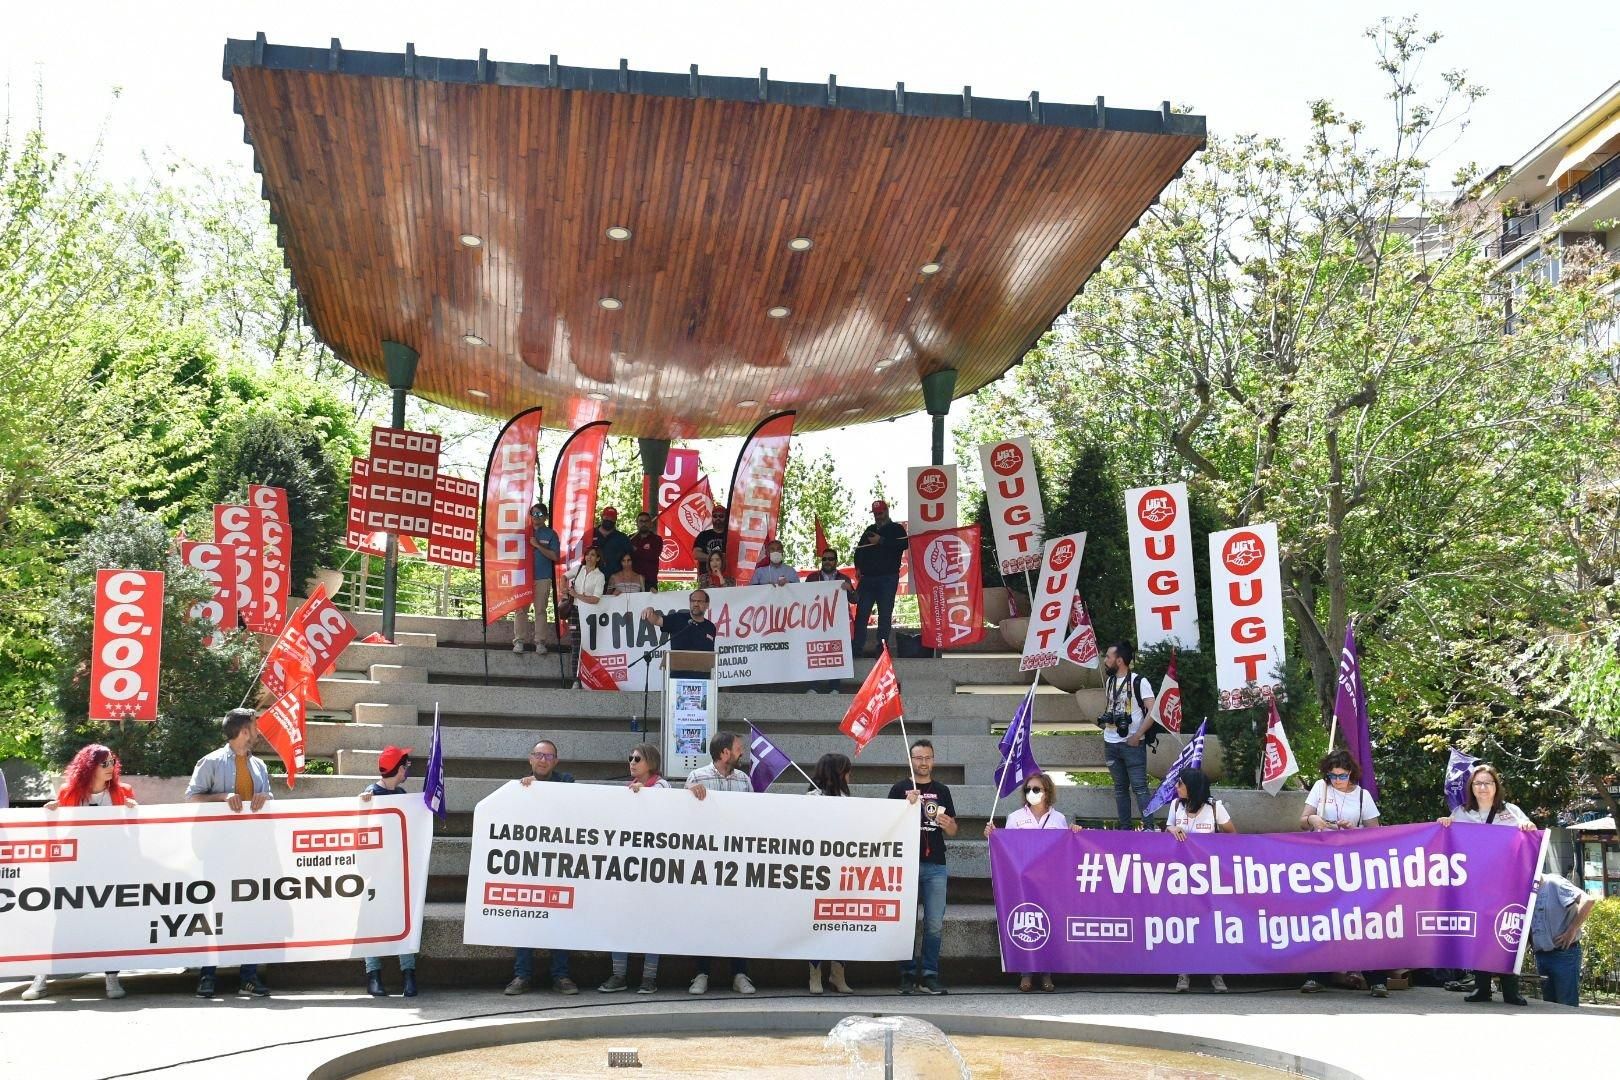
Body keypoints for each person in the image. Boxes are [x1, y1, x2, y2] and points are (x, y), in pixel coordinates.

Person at [22, 744, 137, 1001]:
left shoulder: (123, 793)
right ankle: (40, 978)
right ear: (89, 767)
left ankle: (111, 977)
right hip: (74, 871)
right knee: (61, 922)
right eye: (104, 763)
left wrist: (133, 812)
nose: (111, 768)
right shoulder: (69, 793)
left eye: (113, 762)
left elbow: (132, 836)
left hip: (108, 870)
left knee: (109, 922)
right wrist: (50, 813)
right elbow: (61, 834)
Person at [184, 708, 273, 998]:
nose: (258, 733)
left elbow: (269, 800)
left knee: (252, 912)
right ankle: (207, 976)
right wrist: (222, 797)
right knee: (213, 912)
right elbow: (192, 799)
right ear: (244, 730)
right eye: (255, 727)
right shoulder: (210, 762)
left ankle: (248, 977)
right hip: (217, 853)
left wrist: (265, 797)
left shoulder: (259, 766)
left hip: (252, 852)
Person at [1439, 762, 1537, 1005]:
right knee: (1479, 934)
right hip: (1474, 884)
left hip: (1506, 884)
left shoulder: (1512, 812)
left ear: (1496, 786)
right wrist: (1444, 824)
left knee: (1506, 933)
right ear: (1471, 787)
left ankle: (1511, 990)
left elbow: (1531, 834)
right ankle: (1482, 988)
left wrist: (1528, 826)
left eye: (1488, 783)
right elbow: (1448, 840)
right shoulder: (1461, 812)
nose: (1483, 787)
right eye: (1478, 783)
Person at [1299, 749, 1388, 996]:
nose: (1337, 781)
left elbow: (1375, 832)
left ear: (1352, 773)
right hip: (1323, 865)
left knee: (1363, 920)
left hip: (1354, 865)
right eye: (1333, 776)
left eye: (1342, 776)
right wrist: (1315, 819)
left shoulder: (1363, 797)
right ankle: (1317, 975)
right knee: (1323, 919)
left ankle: (1377, 978)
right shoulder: (1320, 787)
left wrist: (1354, 829)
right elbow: (1303, 819)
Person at [984, 771, 1073, 993]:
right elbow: (1007, 847)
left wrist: (1075, 832)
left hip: (1050, 880)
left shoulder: (1059, 818)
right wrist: (993, 835)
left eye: (1037, 789)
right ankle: (1025, 973)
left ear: (1047, 792)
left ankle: (1046, 973)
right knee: (1025, 922)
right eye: (1028, 789)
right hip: (1022, 879)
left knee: (1049, 923)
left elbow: (1066, 849)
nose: (1032, 793)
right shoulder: (1015, 817)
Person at [684, 732, 757, 995]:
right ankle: (701, 973)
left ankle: (740, 973)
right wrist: (690, 795)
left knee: (738, 918)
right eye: (738, 749)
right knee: (704, 918)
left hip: (736, 862)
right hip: (705, 861)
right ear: (725, 752)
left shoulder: (744, 780)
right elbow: (682, 815)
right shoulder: (697, 777)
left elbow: (752, 816)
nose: (741, 753)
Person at [505, 739, 579, 995]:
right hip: (529, 865)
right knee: (526, 920)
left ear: (556, 761)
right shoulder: (518, 788)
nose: (543, 760)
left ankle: (561, 976)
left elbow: (571, 807)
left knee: (560, 920)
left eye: (549, 756)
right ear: (530, 759)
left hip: (560, 863)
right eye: (539, 755)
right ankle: (522, 976)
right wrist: (526, 790)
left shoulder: (567, 782)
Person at [598, 743, 669, 995]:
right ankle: (619, 975)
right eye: (630, 758)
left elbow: (664, 813)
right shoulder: (629, 790)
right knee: (621, 920)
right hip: (629, 867)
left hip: (655, 868)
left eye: (637, 758)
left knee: (652, 923)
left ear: (651, 762)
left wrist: (644, 796)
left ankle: (649, 978)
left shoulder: (661, 787)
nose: (632, 762)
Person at [887, 738, 956, 995]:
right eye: (918, 758)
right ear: (911, 760)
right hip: (905, 864)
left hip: (936, 863)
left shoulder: (943, 790)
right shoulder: (899, 789)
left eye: (928, 757)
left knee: (934, 923)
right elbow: (887, 825)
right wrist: (905, 806)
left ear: (933, 760)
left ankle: (929, 974)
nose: (923, 762)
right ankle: (906, 973)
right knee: (905, 921)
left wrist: (946, 823)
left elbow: (952, 830)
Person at [358, 746, 419, 998]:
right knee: (372, 923)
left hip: (397, 871)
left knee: (405, 920)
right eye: (406, 765)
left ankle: (409, 974)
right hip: (375, 873)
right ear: (399, 768)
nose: (408, 770)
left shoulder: (402, 794)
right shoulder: (370, 795)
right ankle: (373, 974)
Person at [1168, 767, 1234, 994]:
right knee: (1184, 924)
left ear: (1192, 787)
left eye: (1180, 784)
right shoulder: (1176, 806)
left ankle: (1216, 974)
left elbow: (1232, 836)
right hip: (1181, 877)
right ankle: (1183, 973)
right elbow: (1168, 829)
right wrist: (1172, 828)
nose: (1177, 788)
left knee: (1211, 925)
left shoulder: (1215, 808)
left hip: (1209, 878)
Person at [805, 753, 855, 995]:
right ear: (837, 773)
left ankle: (838, 974)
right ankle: (815, 975)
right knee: (817, 924)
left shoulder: (849, 799)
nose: (849, 775)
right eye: (846, 770)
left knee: (842, 924)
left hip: (843, 871)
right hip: (817, 871)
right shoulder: (810, 798)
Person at [1099, 641, 1157, 830]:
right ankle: (1125, 830)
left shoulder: (1139, 681)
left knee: (1140, 788)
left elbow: (1153, 711)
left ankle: (1148, 827)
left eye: (1108, 657)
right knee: (1120, 789)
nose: (1105, 660)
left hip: (1133, 743)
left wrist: (1138, 734)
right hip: (1111, 742)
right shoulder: (1110, 681)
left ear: (1120, 660)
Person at [1528, 872, 1595, 1007]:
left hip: (1563, 954)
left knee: (1566, 1004)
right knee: (1549, 1005)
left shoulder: (1554, 883)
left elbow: (1587, 901)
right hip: (1542, 954)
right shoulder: (1528, 890)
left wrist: (1572, 930)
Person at [852, 501, 908, 657]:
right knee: (862, 614)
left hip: (887, 578)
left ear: (887, 511)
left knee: (884, 614)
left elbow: (904, 544)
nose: (878, 516)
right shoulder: (869, 529)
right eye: (876, 514)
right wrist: (858, 566)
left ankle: (881, 649)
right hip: (867, 578)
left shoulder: (896, 529)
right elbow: (859, 550)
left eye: (881, 513)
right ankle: (857, 648)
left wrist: (881, 541)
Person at [803, 548, 855, 692]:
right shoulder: (812, 578)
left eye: (830, 559)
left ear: (836, 561)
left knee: (835, 653)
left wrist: (850, 589)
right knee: (815, 653)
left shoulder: (844, 578)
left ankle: (835, 687)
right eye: (824, 559)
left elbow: (855, 599)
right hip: (816, 623)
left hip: (837, 624)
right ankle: (813, 687)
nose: (827, 562)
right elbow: (802, 597)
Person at [515, 503, 561, 655]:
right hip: (523, 577)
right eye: (534, 514)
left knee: (540, 610)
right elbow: (502, 544)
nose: (536, 517)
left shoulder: (551, 534)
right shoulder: (522, 532)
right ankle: (519, 641)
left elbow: (555, 556)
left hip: (543, 577)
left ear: (546, 517)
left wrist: (538, 545)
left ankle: (540, 642)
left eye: (540, 514)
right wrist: (485, 535)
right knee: (521, 610)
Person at [641, 591, 718, 654]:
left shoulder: (710, 627)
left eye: (700, 601)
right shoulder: (677, 618)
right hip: (679, 672)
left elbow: (711, 655)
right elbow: (657, 620)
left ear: (707, 605)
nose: (696, 604)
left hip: (703, 672)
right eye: (693, 601)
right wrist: (650, 610)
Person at [593, 507, 633, 578]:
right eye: (607, 517)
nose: (609, 519)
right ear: (602, 516)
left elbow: (630, 559)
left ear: (616, 520)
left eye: (612, 518)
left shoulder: (622, 538)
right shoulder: (591, 534)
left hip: (615, 579)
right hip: (592, 578)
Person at [629, 511, 661, 591]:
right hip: (632, 581)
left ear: (650, 523)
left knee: (650, 604)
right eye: (641, 521)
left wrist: (636, 550)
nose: (643, 524)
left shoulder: (657, 539)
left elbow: (653, 555)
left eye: (646, 521)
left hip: (650, 582)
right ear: (637, 523)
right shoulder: (630, 539)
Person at [692, 504, 729, 568]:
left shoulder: (731, 535)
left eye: (721, 516)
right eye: (715, 516)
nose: (718, 518)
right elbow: (696, 554)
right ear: (712, 518)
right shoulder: (703, 535)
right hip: (706, 573)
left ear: (726, 518)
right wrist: (714, 558)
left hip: (727, 573)